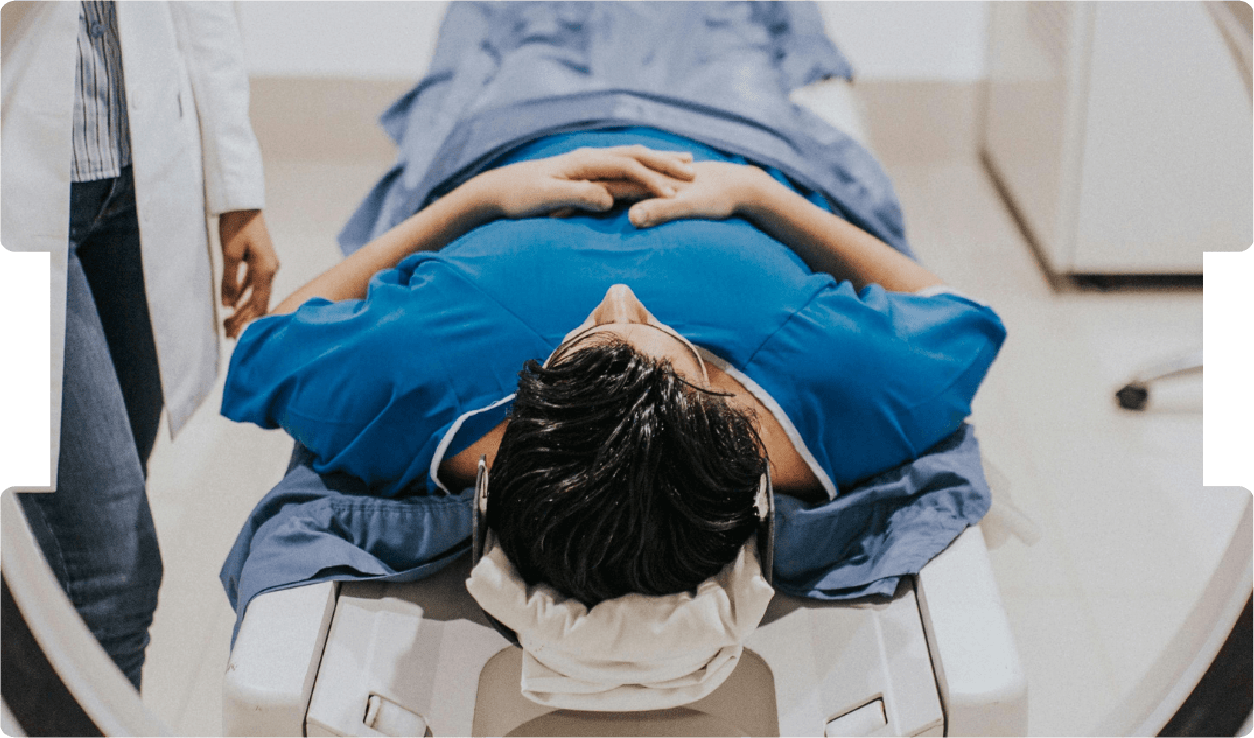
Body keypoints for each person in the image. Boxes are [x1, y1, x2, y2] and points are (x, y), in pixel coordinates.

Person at [221, 128, 1004, 609]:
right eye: (659, 334)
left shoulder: (418, 382)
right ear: (726, 414)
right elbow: (963, 315)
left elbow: (268, 338)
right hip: (739, 131)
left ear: (526, 410)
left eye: (589, 334)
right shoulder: (833, 389)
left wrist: (474, 200)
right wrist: (761, 195)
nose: (620, 297)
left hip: (518, 129)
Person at [0, 0, 277, 690]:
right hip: (13, 245)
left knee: (63, 543)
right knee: (106, 572)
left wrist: (236, 186)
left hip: (134, 183)